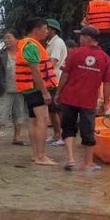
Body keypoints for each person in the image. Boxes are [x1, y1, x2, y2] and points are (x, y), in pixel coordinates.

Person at [54, 26, 110, 171]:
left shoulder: (74, 53)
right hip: (88, 101)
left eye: (81, 36)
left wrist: (58, 93)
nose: (79, 38)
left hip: (69, 98)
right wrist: (106, 102)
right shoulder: (105, 58)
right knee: (88, 131)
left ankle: (70, 159)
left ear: (88, 38)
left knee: (68, 128)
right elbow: (107, 83)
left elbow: (65, 75)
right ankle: (88, 164)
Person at [17, 17, 59, 166]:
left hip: (28, 89)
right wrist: (45, 92)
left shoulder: (25, 44)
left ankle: (35, 155)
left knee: (33, 120)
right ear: (36, 30)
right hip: (34, 89)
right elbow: (35, 72)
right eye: (45, 28)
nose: (47, 31)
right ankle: (41, 156)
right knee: (42, 121)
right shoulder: (31, 46)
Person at [0, 30, 27, 146]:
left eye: (9, 38)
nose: (6, 40)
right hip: (4, 89)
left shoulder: (23, 54)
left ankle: (17, 137)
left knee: (19, 114)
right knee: (0, 113)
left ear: (17, 39)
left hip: (20, 89)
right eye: (5, 38)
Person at [45, 19, 68, 147]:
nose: (45, 31)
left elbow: (53, 62)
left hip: (56, 80)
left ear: (52, 30)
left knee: (58, 110)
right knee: (52, 110)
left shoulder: (57, 43)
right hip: (51, 80)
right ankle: (56, 134)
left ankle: (63, 136)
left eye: (46, 28)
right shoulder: (50, 43)